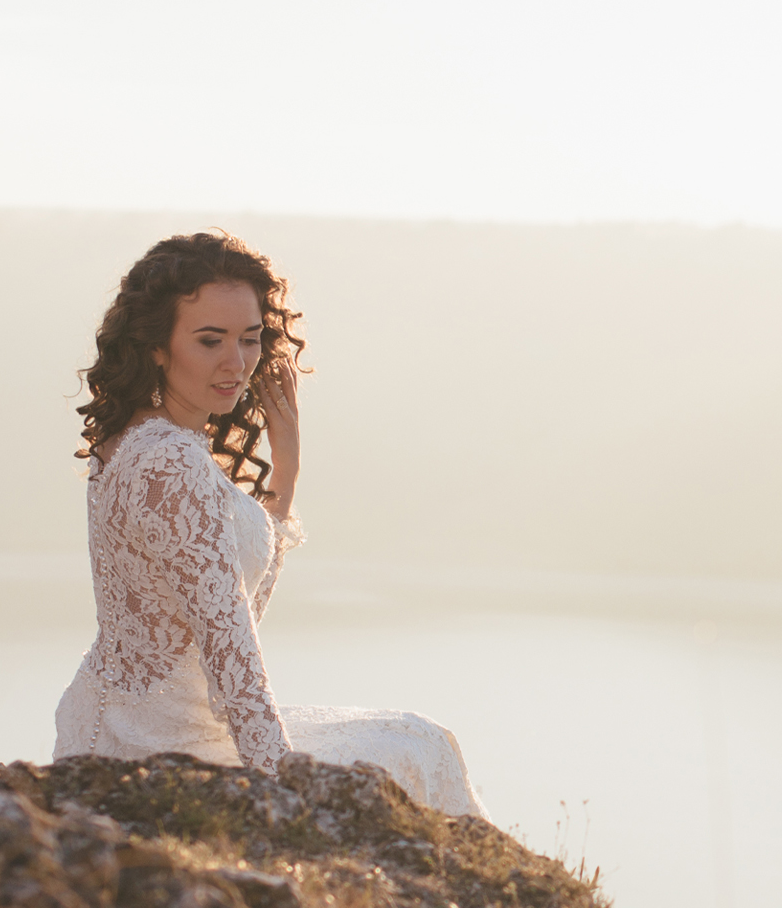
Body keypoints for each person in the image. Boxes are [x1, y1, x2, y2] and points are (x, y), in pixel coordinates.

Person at [53, 231, 490, 819]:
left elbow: (224, 606)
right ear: (157, 345)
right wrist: (282, 788)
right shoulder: (172, 459)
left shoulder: (138, 441)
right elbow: (231, 651)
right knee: (420, 745)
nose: (236, 363)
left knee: (414, 741)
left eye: (250, 339)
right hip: (161, 746)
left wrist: (287, 470)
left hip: (125, 729)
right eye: (210, 341)